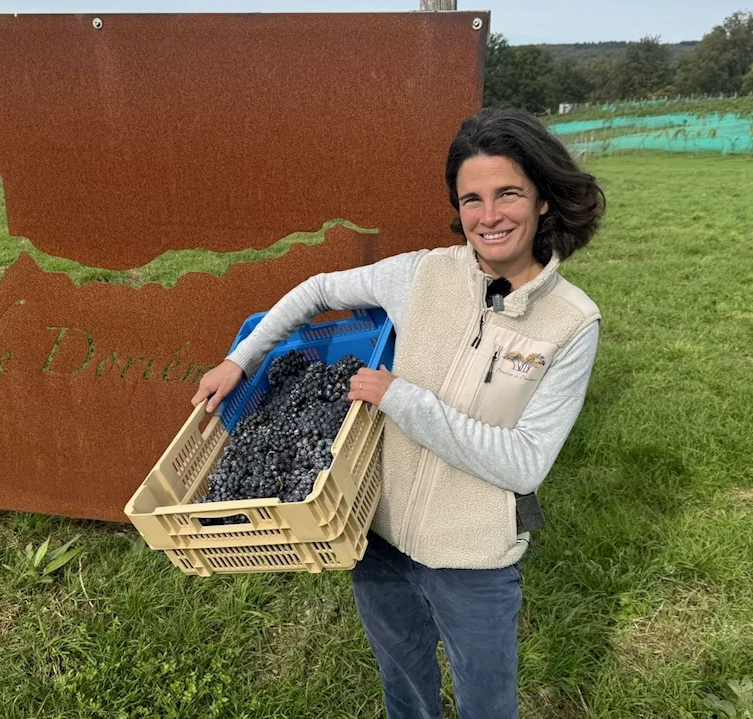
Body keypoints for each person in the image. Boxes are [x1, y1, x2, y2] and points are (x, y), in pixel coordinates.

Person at [190, 106, 605, 719]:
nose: (489, 217)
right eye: (472, 199)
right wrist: (241, 360)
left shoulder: (571, 321)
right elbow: (318, 290)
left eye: (508, 194)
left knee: (486, 701)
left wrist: (403, 400)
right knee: (405, 688)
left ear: (543, 200)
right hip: (379, 540)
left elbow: (523, 466)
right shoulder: (420, 275)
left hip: (474, 559)